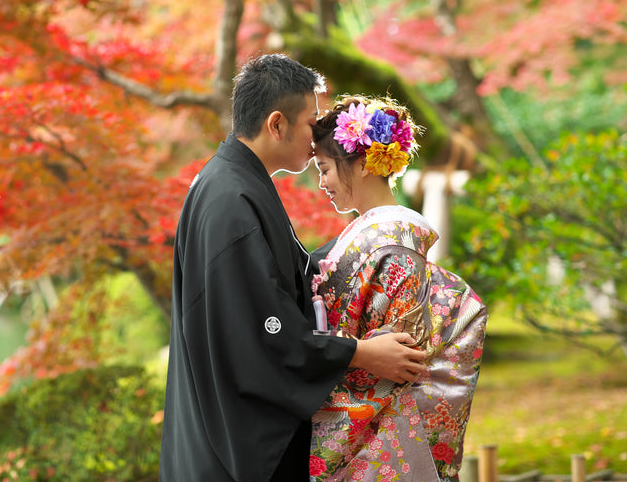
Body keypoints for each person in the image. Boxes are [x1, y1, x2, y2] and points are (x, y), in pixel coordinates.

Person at [159, 54, 428, 482]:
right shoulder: (230, 200)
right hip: (231, 451)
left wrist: (366, 237)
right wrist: (363, 353)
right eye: (310, 121)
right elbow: (261, 331)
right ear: (277, 124)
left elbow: (294, 277)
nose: (316, 134)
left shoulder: (233, 183)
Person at [308, 94, 488, 482]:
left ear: (361, 165)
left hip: (375, 433)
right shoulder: (378, 234)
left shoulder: (388, 241)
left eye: (325, 169)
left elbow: (390, 359)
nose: (322, 182)